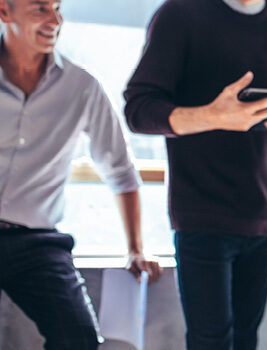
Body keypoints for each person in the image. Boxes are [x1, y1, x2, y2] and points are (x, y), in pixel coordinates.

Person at [123, 0, 267, 349]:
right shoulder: (180, 14)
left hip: (263, 216)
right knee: (210, 341)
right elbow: (138, 111)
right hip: (201, 214)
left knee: (245, 340)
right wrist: (213, 116)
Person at [0, 0, 162, 348]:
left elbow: (120, 170)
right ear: (4, 11)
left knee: (79, 340)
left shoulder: (82, 87)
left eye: (58, 8)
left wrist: (136, 248)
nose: (55, 19)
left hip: (37, 243)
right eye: (40, 8)